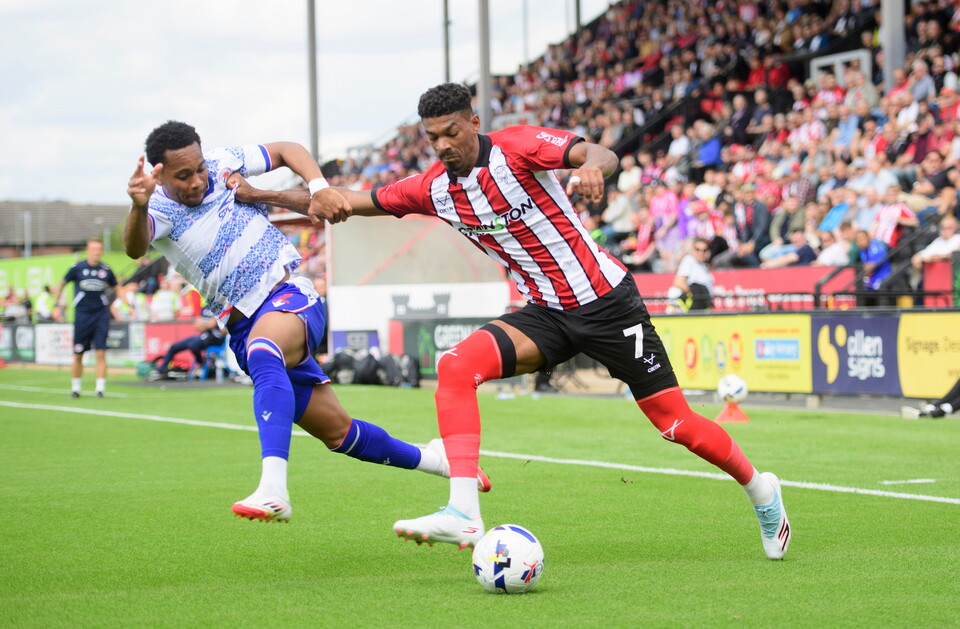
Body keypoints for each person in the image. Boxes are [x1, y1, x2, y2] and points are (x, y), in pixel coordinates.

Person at [235, 84, 791, 560]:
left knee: (676, 424)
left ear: (475, 122)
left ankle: (761, 490)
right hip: (544, 314)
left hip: (607, 303)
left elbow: (599, 154)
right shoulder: (432, 188)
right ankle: (462, 510)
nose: (444, 144)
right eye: (434, 137)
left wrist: (595, 171)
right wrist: (263, 194)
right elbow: (348, 202)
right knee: (455, 367)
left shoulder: (520, 147)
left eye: (452, 131)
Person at [123, 120, 489, 524]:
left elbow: (286, 149)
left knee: (265, 351)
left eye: (199, 170)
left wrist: (319, 187)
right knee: (340, 435)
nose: (197, 180)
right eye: (183, 176)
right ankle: (440, 460)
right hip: (244, 325)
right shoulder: (158, 210)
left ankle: (273, 490)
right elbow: (135, 246)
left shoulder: (224, 161)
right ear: (159, 175)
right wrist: (139, 204)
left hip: (290, 295)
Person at [53, 238, 117, 398]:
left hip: (101, 315)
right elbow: (61, 284)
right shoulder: (77, 268)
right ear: (88, 251)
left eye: (99, 250)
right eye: (94, 249)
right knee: (78, 353)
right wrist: (56, 306)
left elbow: (118, 287)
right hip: (82, 316)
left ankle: (100, 389)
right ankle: (75, 389)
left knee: (101, 352)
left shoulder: (106, 270)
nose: (97, 253)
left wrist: (126, 305)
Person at [151, 310, 226, 379]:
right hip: (202, 336)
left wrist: (205, 324)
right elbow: (197, 326)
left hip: (215, 339)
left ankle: (203, 366)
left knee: (193, 345)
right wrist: (208, 324)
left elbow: (218, 327)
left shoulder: (218, 305)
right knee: (174, 347)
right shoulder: (204, 308)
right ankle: (161, 370)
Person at [669, 238, 714, 311]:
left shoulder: (703, 266)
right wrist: (696, 294)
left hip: (701, 306)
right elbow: (678, 282)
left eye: (704, 250)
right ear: (693, 250)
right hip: (687, 308)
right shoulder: (689, 260)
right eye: (698, 249)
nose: (701, 252)